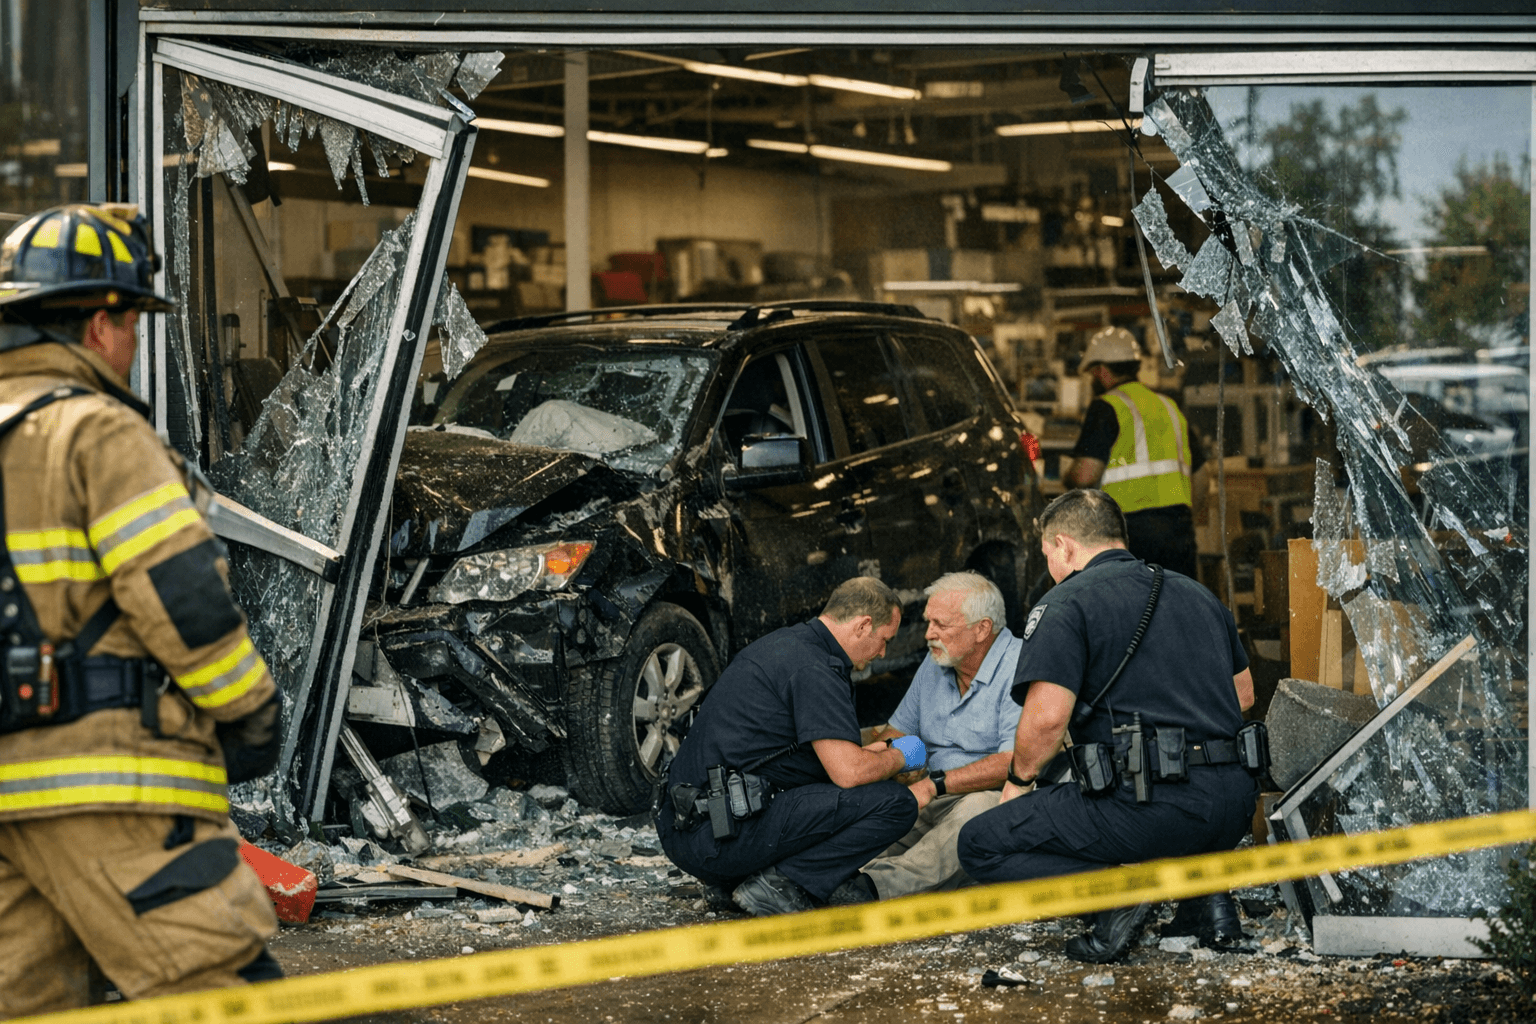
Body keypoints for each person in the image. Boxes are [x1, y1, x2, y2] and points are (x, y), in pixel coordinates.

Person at [0, 204, 284, 1015]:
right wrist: (250, 714)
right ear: (100, 324)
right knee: (229, 994)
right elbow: (184, 601)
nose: (132, 349)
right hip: (109, 794)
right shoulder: (94, 431)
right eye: (132, 326)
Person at [957, 488, 1257, 964]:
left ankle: (1117, 896)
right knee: (1158, 812)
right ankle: (1207, 901)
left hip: (1150, 806)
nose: (1049, 567)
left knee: (980, 843)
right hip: (1234, 804)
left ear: (1064, 546)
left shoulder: (1064, 604)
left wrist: (1018, 782)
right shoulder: (1199, 594)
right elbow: (1243, 696)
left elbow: (1048, 720)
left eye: (1047, 555)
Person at [656, 576, 923, 917]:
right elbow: (849, 772)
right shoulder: (817, 669)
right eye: (884, 639)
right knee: (896, 804)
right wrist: (904, 755)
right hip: (716, 839)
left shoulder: (785, 645)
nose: (883, 652)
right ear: (863, 625)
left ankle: (742, 879)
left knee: (838, 786)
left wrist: (882, 750)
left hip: (689, 829)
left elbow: (819, 757)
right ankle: (780, 883)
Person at [829, 571, 1022, 904]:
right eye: (928, 622)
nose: (929, 634)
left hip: (988, 795)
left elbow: (1014, 763)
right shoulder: (938, 662)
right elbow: (897, 734)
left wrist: (936, 784)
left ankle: (872, 891)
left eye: (941, 625)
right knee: (864, 830)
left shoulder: (1020, 664)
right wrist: (892, 762)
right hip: (930, 790)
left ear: (982, 629)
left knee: (979, 812)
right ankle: (820, 878)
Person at [1065, 326, 1209, 580]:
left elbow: (1085, 476)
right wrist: (1182, 519)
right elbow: (1201, 478)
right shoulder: (1169, 406)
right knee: (1175, 609)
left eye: (1093, 374)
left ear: (1102, 371)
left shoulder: (1106, 406)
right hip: (1179, 530)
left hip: (1130, 535)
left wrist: (1067, 478)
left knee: (1132, 614)